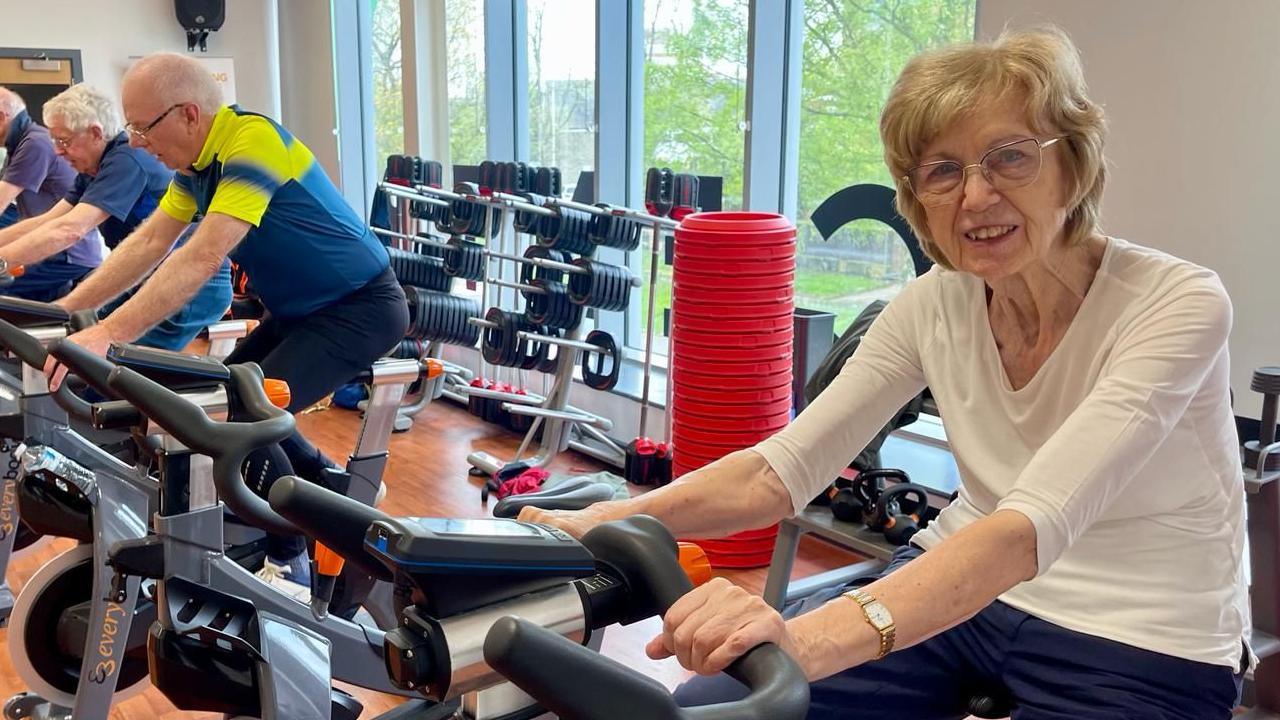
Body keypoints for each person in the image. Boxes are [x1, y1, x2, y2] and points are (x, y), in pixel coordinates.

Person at [522, 27, 1249, 720]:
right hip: (964, 594)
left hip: (1143, 631)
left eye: (1010, 157)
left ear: (1074, 163)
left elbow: (1027, 527)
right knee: (721, 711)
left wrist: (800, 641)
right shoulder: (934, 302)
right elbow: (777, 475)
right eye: (943, 170)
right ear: (919, 200)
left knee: (777, 674)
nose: (976, 196)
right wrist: (597, 523)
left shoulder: (1176, 303)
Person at [46, 53, 408, 592]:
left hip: (358, 308)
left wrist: (104, 334)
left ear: (189, 114)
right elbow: (149, 242)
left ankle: (290, 558)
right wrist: (64, 316)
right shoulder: (197, 168)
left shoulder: (251, 143)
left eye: (144, 127)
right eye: (133, 128)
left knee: (235, 422)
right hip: (301, 312)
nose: (139, 142)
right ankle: (331, 484)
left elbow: (201, 257)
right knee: (206, 401)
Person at [0, 83, 232, 350]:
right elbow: (49, 220)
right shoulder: (93, 167)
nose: (58, 151)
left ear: (96, 133)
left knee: (114, 370)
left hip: (190, 282)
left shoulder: (127, 159)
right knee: (77, 337)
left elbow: (69, 230)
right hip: (142, 274)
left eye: (64, 141)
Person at [0, 87, 105, 300]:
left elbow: (1, 201)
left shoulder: (34, 143)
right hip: (51, 244)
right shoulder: (21, 143)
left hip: (65, 253)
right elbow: (40, 219)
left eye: (64, 141)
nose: (58, 150)